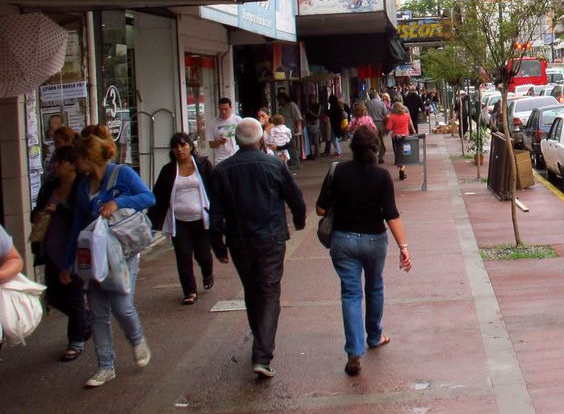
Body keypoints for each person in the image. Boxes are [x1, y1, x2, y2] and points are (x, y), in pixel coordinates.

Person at [209, 119, 306, 379]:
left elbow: (215, 213)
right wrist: (299, 220)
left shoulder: (223, 170)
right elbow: (294, 195)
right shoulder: (273, 165)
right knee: (269, 291)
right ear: (261, 139)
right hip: (270, 237)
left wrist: (217, 244)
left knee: (253, 290)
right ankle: (262, 353)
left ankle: (260, 341)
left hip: (240, 240)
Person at [316, 127, 412, 376]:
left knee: (350, 293)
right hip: (374, 241)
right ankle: (374, 336)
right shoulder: (381, 176)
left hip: (343, 240)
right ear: (376, 148)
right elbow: (391, 214)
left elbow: (320, 209)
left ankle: (354, 350)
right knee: (375, 287)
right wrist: (404, 247)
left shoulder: (338, 171)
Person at [67, 127, 155, 387]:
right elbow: (78, 222)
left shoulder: (122, 173)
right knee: (97, 311)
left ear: (89, 158)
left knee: (122, 305)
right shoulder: (82, 185)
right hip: (95, 252)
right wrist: (69, 260)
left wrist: (120, 202)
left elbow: (148, 197)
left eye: (78, 158)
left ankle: (137, 339)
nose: (75, 163)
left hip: (123, 248)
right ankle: (105, 365)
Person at [33, 146, 91, 361]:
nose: (56, 165)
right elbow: (37, 212)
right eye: (55, 161)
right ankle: (85, 318)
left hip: (74, 250)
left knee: (75, 296)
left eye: (61, 161)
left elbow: (84, 215)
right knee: (54, 297)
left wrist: (59, 210)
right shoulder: (49, 187)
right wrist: (39, 215)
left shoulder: (81, 188)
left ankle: (75, 341)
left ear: (73, 164)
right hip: (50, 249)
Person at [149, 133, 217, 306]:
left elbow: (216, 189)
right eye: (176, 147)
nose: (180, 149)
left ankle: (207, 272)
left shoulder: (203, 165)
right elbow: (158, 195)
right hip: (179, 220)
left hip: (201, 219)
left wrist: (220, 212)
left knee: (203, 254)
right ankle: (189, 291)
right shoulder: (168, 170)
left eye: (183, 145)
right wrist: (151, 221)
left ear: (191, 146)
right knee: (183, 255)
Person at [386, 101, 417, 180]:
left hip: (396, 138)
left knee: (398, 154)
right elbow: (411, 124)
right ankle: (402, 169)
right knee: (405, 154)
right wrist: (413, 131)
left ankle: (401, 168)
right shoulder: (406, 115)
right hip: (405, 137)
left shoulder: (392, 117)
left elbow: (388, 128)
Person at [206, 98, 241, 166]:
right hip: (221, 159)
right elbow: (211, 144)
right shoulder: (213, 123)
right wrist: (219, 142)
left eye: (226, 109)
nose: (223, 111)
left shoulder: (238, 120)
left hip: (237, 155)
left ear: (231, 108)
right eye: (221, 109)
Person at [277, 93, 303, 169]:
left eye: (280, 99)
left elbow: (298, 117)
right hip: (284, 131)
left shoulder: (292, 105)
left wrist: (297, 127)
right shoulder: (283, 107)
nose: (279, 101)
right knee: (288, 147)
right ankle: (292, 161)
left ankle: (295, 162)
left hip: (291, 130)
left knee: (291, 146)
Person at [366, 92, 389, 164]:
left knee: (371, 141)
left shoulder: (367, 103)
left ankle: (373, 155)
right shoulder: (382, 104)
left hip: (370, 125)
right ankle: (380, 156)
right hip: (380, 124)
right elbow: (386, 116)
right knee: (380, 141)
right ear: (377, 96)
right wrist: (386, 126)